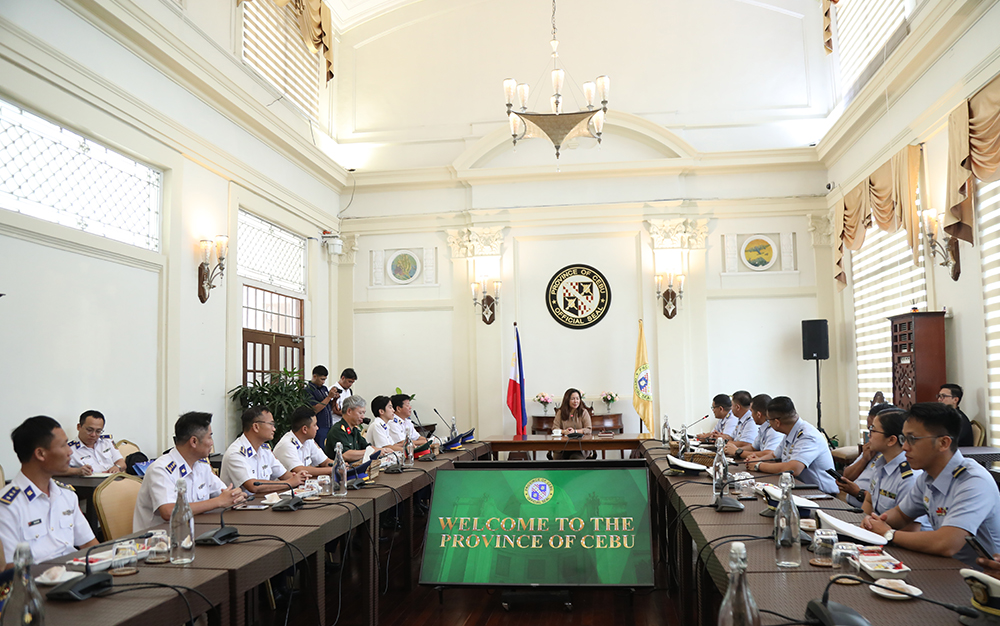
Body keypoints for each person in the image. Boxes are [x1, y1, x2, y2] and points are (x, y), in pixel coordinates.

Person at [860, 403, 1000, 566]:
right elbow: (901, 514)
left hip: (980, 575)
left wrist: (889, 534)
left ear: (943, 443)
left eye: (912, 439)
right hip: (944, 567)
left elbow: (946, 543)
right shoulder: (927, 477)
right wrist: (874, 522)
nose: (904, 447)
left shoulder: (973, 481)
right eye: (904, 439)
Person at [0, 416, 98, 564]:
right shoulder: (7, 506)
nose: (70, 452)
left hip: (75, 572)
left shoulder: (66, 495)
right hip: (38, 577)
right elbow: (10, 569)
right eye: (63, 445)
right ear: (40, 454)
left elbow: (90, 545)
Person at [133, 412, 245, 531]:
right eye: (209, 437)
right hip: (160, 538)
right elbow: (169, 511)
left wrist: (235, 496)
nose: (212, 443)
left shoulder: (201, 466)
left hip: (194, 531)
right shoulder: (161, 469)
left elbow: (225, 494)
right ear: (194, 442)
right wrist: (218, 501)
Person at [744, 396, 839, 495]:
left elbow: (793, 469)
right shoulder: (790, 431)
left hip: (821, 493)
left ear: (777, 422)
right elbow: (774, 456)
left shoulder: (808, 436)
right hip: (798, 486)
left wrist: (759, 465)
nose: (768, 423)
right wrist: (757, 460)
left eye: (768, 420)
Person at [859, 409, 927, 527]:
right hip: (877, 531)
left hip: (897, 536)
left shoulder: (909, 477)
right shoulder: (880, 464)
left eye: (873, 430)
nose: (869, 435)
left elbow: (910, 529)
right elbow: (869, 501)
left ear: (891, 440)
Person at [220, 406, 308, 495]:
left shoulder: (264, 450)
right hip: (243, 502)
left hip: (262, 500)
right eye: (271, 424)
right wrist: (290, 483)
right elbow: (253, 486)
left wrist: (300, 477)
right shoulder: (236, 453)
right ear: (256, 427)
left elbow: (284, 475)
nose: (274, 429)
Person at [836, 403, 896, 507]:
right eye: (869, 429)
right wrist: (864, 459)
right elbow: (846, 476)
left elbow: (887, 503)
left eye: (873, 430)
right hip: (853, 506)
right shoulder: (872, 449)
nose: (869, 435)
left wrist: (858, 492)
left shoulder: (894, 459)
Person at [273, 407, 336, 477]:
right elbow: (299, 470)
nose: (317, 428)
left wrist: (339, 465)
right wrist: (333, 469)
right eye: (315, 425)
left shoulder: (309, 440)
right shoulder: (287, 444)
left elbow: (325, 462)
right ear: (305, 429)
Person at [65, 410, 126, 475]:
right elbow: (59, 471)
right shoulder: (68, 449)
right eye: (89, 430)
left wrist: (117, 467)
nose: (93, 435)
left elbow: (122, 463)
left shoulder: (107, 442)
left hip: (112, 479)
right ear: (79, 427)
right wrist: (77, 471)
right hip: (90, 481)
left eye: (98, 431)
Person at [325, 395, 381, 462]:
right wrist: (372, 452)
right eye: (360, 413)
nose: (363, 417)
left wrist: (381, 450)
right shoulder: (338, 430)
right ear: (349, 411)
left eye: (363, 413)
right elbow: (346, 455)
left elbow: (366, 446)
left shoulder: (354, 429)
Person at [724, 394, 781, 459]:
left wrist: (738, 451)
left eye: (751, 411)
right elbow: (753, 447)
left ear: (758, 414)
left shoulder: (773, 430)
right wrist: (732, 450)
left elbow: (769, 453)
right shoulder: (763, 428)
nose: (750, 415)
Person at [306, 365, 340, 448]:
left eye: (325, 379)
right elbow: (314, 410)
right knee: (321, 449)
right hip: (319, 426)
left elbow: (329, 407)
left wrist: (334, 399)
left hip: (329, 424)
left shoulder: (324, 389)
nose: (323, 382)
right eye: (322, 379)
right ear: (315, 376)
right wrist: (329, 397)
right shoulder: (308, 390)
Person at [552, 388, 592, 460]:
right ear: (567, 400)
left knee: (575, 458)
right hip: (562, 447)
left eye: (577, 399)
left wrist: (575, 431)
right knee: (559, 460)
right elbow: (555, 428)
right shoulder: (560, 412)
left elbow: (588, 429)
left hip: (580, 448)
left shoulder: (584, 412)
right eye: (573, 399)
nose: (575, 401)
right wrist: (564, 431)